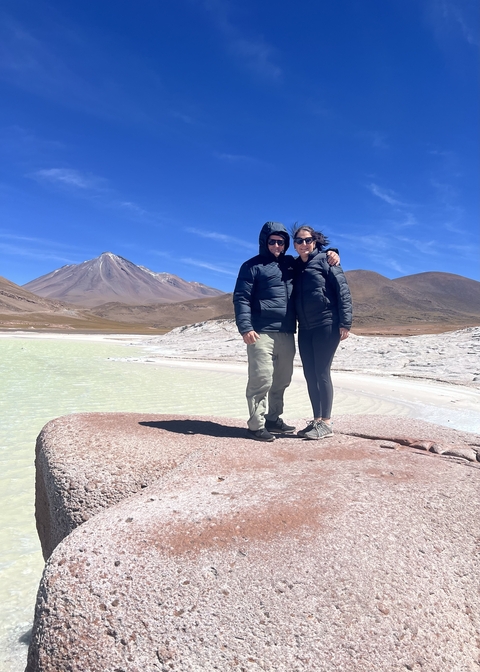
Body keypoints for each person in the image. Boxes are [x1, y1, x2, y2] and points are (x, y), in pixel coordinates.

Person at [233, 221, 339, 442]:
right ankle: (255, 425)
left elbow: (313, 259)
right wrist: (245, 327)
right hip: (260, 331)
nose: (277, 246)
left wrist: (332, 252)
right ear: (265, 242)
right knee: (261, 379)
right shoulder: (251, 266)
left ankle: (273, 418)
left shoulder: (291, 264)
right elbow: (241, 298)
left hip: (287, 331)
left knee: (282, 379)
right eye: (272, 241)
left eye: (281, 242)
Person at [292, 225, 352, 440]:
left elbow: (342, 290)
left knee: (321, 372)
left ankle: (326, 422)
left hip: (327, 323)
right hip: (305, 327)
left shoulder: (327, 260)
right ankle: (316, 420)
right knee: (309, 373)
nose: (303, 244)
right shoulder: (295, 266)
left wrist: (345, 322)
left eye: (307, 240)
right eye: (299, 241)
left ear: (315, 242)